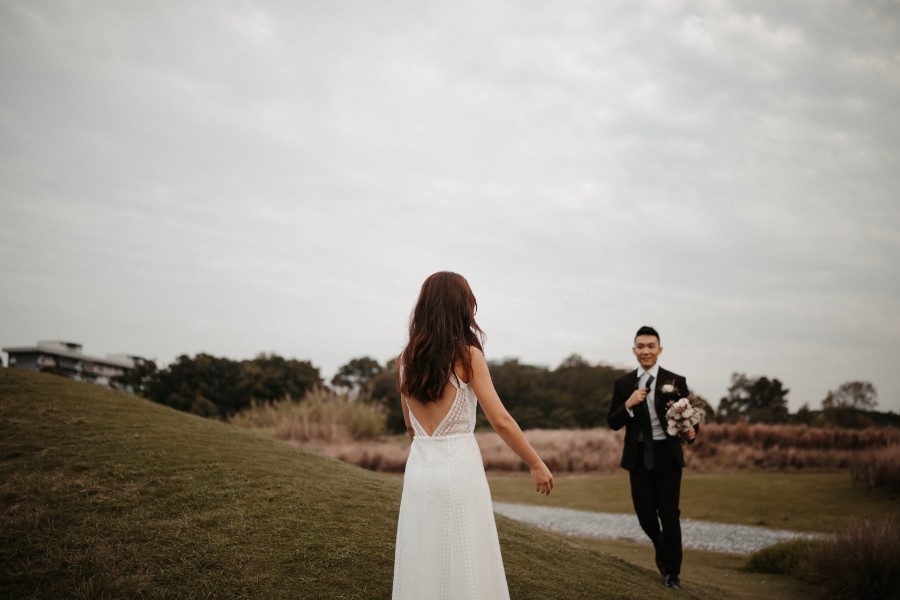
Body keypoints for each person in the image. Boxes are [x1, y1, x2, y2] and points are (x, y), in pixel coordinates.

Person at [392, 271, 554, 600]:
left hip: (420, 470)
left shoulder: (406, 360)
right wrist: (536, 463)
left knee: (424, 556)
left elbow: (410, 426)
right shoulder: (467, 355)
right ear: (461, 308)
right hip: (459, 468)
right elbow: (501, 420)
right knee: (466, 554)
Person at [607, 325, 697, 590]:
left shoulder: (675, 381)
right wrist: (628, 404)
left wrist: (692, 431)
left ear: (659, 349)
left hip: (667, 455)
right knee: (645, 514)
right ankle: (661, 548)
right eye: (641, 346)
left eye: (650, 346)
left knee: (669, 514)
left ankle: (672, 573)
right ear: (634, 350)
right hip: (638, 456)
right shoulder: (623, 384)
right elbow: (612, 422)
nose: (646, 351)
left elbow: (689, 415)